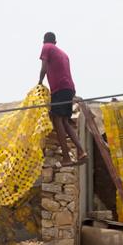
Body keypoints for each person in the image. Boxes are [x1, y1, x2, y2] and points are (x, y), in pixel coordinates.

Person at [38, 31, 87, 167]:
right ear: (56, 42)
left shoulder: (46, 47)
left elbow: (44, 68)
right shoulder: (63, 54)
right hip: (69, 88)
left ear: (44, 41)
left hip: (59, 88)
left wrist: (40, 83)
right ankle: (81, 151)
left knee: (57, 119)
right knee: (65, 121)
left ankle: (66, 157)